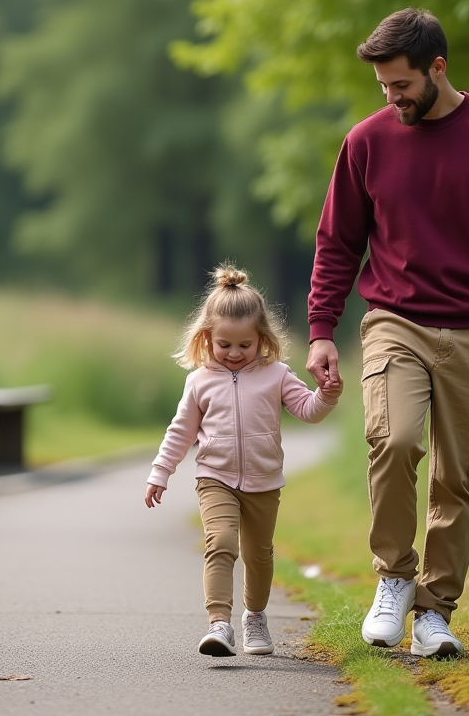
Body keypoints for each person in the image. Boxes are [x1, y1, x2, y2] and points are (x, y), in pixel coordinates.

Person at [305, 8, 469, 659]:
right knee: (394, 440)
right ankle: (393, 577)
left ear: (438, 68)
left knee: (458, 476)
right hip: (395, 321)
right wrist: (321, 328)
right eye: (383, 86)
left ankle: (435, 612)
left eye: (401, 84)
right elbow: (337, 242)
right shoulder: (366, 142)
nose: (391, 97)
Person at [145, 263, 340, 657]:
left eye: (244, 345)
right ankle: (219, 623)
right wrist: (160, 473)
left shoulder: (277, 375)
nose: (234, 354)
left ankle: (255, 617)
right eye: (224, 345)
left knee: (259, 555)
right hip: (214, 478)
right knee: (219, 543)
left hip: (264, 482)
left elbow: (308, 410)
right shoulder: (199, 381)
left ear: (261, 339)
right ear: (207, 338)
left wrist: (327, 395)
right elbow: (180, 432)